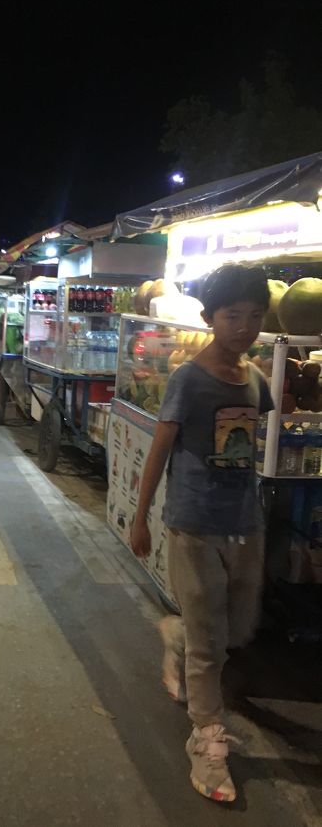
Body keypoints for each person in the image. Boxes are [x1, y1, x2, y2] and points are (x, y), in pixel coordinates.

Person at [129, 263, 273, 804]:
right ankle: (207, 740)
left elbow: (250, 452)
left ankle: (178, 635)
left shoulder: (257, 381)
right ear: (211, 318)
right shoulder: (188, 378)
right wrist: (141, 516)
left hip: (245, 526)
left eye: (255, 315)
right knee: (213, 647)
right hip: (193, 524)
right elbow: (161, 448)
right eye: (233, 315)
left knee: (237, 629)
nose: (244, 326)